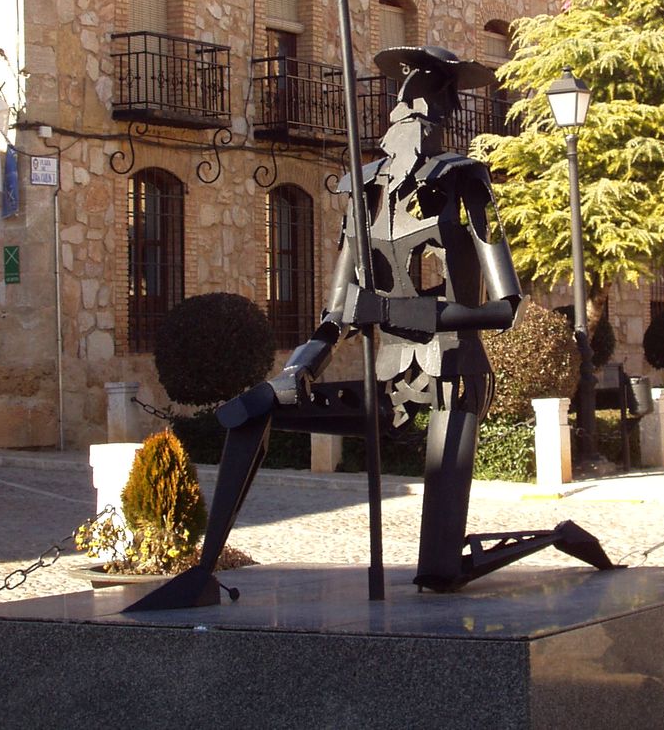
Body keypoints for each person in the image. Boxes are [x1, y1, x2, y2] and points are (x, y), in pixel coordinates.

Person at [128, 46, 612, 611]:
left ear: (441, 112)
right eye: (402, 98)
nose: (407, 107)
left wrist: (393, 313)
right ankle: (201, 574)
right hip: (389, 381)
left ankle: (558, 535)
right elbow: (337, 311)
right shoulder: (362, 190)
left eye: (421, 98)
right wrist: (299, 368)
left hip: (454, 378)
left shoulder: (467, 185)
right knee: (255, 409)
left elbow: (506, 308)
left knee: (438, 574)